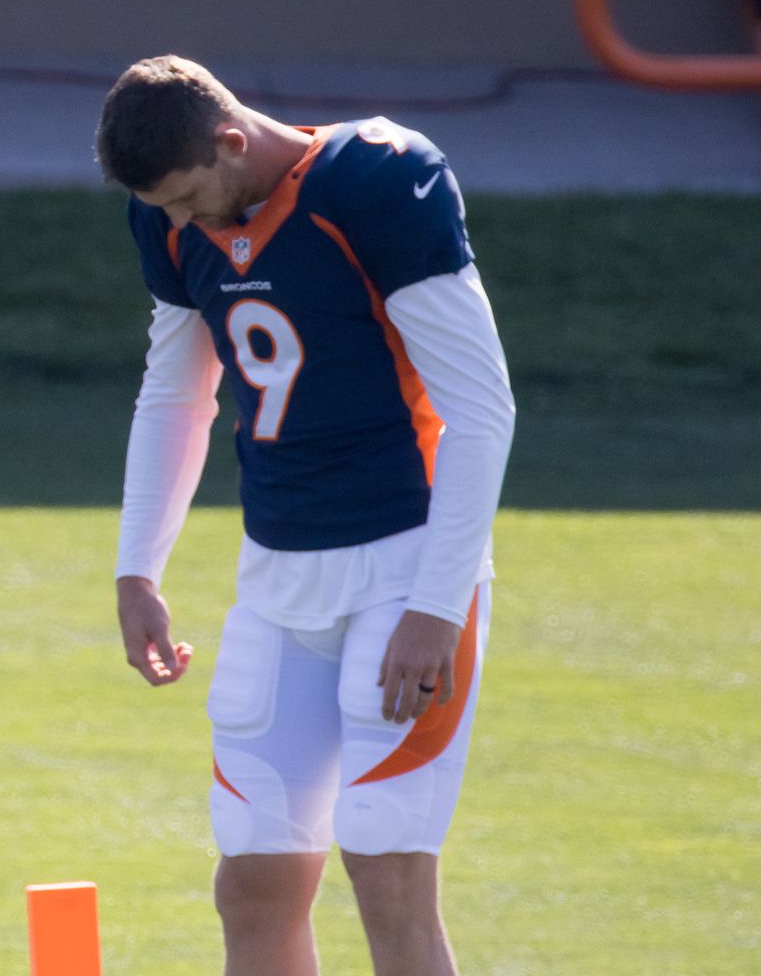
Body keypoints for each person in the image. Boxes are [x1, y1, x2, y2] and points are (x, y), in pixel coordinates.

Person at [97, 56, 514, 975]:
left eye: (186, 196)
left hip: (407, 564)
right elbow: (176, 395)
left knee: (388, 874)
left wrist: (438, 605)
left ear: (231, 142)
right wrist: (138, 569)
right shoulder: (169, 222)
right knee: (252, 883)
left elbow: (482, 408)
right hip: (280, 580)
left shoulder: (377, 179)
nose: (177, 222)